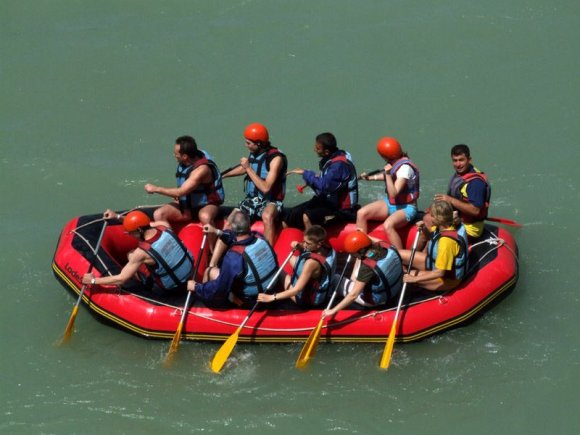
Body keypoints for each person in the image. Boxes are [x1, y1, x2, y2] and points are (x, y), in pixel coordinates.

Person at [82, 210, 194, 294]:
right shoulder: (163, 227)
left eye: (130, 233)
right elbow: (141, 224)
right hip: (189, 273)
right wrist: (117, 216)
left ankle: (143, 288)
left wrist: (93, 280)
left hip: (171, 289)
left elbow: (121, 279)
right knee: (133, 254)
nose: (130, 235)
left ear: (139, 231)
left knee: (131, 256)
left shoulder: (141, 253)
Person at [187, 209, 279, 308]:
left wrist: (197, 287)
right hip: (269, 293)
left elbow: (220, 289)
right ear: (248, 225)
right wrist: (216, 231)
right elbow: (235, 237)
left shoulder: (233, 257)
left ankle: (206, 306)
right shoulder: (261, 238)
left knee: (209, 271)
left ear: (233, 229)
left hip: (251, 302)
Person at [219, 123, 287, 246]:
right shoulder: (255, 153)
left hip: (271, 200)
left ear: (259, 143)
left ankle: (268, 252)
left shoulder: (276, 159)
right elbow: (243, 168)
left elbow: (266, 188)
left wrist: (248, 168)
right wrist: (221, 176)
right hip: (253, 199)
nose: (246, 145)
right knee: (230, 221)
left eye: (248, 143)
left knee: (267, 216)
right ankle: (215, 260)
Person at [144, 135, 224, 232]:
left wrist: (155, 189)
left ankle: (213, 247)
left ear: (185, 156)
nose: (174, 155)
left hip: (207, 204)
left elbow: (180, 192)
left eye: (176, 154)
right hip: (188, 207)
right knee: (159, 214)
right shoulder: (190, 157)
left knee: (204, 216)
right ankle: (171, 242)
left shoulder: (201, 170)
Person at [283, 132, 359, 230]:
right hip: (327, 202)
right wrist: (313, 177)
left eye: (318, 148)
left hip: (341, 210)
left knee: (307, 217)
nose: (315, 150)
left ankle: (312, 243)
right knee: (293, 214)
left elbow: (324, 186)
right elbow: (328, 180)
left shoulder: (339, 165)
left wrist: (305, 173)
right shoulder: (333, 158)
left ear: (327, 152)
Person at [356, 137, 420, 250]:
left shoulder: (405, 168)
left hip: (407, 208)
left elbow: (394, 193)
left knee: (388, 225)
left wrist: (388, 174)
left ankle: (400, 257)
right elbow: (389, 176)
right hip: (392, 204)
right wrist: (370, 178)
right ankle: (362, 248)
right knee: (361, 213)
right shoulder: (395, 162)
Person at [324, 230, 403, 318]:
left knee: (335, 278)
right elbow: (368, 240)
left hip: (377, 300)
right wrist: (362, 235)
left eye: (353, 254)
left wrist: (333, 310)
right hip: (395, 288)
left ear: (358, 251)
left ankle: (330, 299)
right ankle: (353, 281)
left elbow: (353, 295)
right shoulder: (389, 246)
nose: (352, 256)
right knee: (361, 260)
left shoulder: (366, 268)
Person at [257, 225, 337, 308]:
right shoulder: (327, 248)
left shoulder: (311, 263)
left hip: (305, 300)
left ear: (319, 244)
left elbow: (296, 290)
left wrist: (271, 297)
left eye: (308, 243)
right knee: (291, 257)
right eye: (304, 241)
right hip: (320, 286)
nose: (305, 245)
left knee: (278, 271)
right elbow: (310, 249)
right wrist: (300, 247)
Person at [399, 200, 468, 292]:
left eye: (431, 215)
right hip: (433, 263)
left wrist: (413, 279)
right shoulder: (443, 225)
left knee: (402, 276)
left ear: (438, 218)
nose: (428, 217)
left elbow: (440, 272)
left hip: (445, 279)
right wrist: (424, 228)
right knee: (398, 254)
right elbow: (432, 238)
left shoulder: (446, 242)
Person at [430, 144, 491, 239]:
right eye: (455, 160)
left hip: (470, 228)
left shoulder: (476, 183)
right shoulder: (460, 175)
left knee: (430, 225)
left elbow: (475, 211)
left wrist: (450, 200)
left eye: (461, 160)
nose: (458, 164)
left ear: (469, 160)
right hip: (457, 219)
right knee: (428, 219)